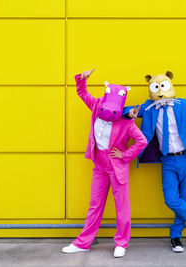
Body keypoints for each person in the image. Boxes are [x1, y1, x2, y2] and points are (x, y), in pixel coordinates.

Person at [62, 69, 147, 257]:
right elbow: (82, 93)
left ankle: (122, 243)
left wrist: (125, 155)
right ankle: (83, 242)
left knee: (121, 205)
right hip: (99, 164)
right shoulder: (96, 105)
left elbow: (142, 141)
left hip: (117, 166)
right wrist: (81, 80)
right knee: (95, 204)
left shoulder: (126, 122)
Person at [123, 71, 186, 253]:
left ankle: (175, 236)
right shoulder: (149, 107)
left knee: (184, 200)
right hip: (168, 161)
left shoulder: (184, 105)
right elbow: (127, 110)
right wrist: (129, 112)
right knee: (171, 199)